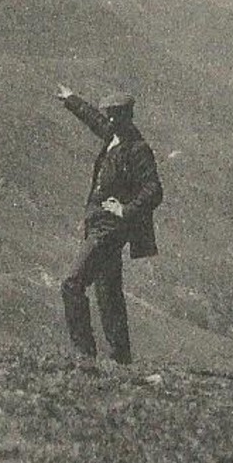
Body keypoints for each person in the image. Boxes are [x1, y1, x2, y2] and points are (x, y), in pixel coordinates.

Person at [55, 86, 163, 365]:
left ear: (128, 116)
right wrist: (71, 99)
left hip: (110, 229)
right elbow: (94, 120)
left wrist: (125, 210)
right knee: (108, 292)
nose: (110, 120)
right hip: (98, 224)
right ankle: (121, 358)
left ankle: (84, 353)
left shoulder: (138, 148)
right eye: (109, 115)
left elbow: (154, 190)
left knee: (72, 284)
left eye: (116, 115)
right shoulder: (114, 136)